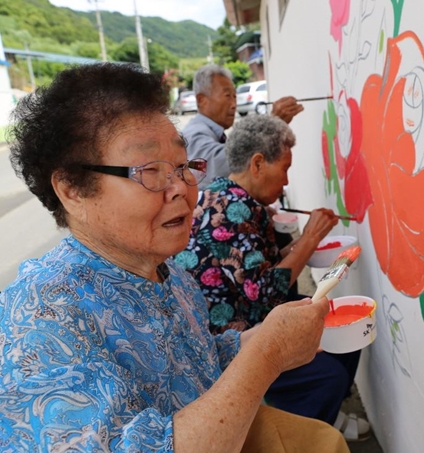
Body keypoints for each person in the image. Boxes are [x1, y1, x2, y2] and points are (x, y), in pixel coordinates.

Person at [0, 63, 349, 453]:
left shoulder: (172, 273)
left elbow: (199, 362)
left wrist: (268, 338)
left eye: (185, 167)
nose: (181, 188)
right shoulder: (39, 313)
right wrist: (268, 355)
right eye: (150, 171)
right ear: (72, 191)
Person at [175, 115, 370, 441]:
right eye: (284, 169)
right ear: (257, 164)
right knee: (328, 375)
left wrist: (306, 241)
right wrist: (308, 240)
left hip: (251, 314)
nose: (286, 181)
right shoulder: (229, 208)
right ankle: (300, 435)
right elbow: (266, 292)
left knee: (341, 326)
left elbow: (260, 269)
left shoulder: (235, 197)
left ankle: (323, 415)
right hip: (228, 341)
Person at [182, 64, 304, 189]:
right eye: (227, 96)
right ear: (202, 100)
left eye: (235, 96)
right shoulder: (193, 134)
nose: (234, 104)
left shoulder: (213, 133)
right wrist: (272, 124)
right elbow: (224, 165)